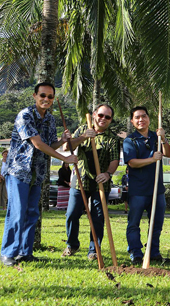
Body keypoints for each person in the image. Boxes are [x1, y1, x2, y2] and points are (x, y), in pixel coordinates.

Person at [0, 82, 78, 267]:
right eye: (43, 95)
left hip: (38, 172)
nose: (46, 99)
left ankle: (25, 253)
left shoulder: (50, 119)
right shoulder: (25, 115)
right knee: (17, 213)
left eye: (50, 97)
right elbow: (37, 144)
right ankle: (8, 253)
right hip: (19, 171)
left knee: (32, 213)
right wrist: (64, 159)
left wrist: (62, 141)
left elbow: (50, 145)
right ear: (35, 95)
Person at [63, 104, 120, 260]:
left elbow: (115, 160)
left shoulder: (113, 138)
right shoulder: (82, 130)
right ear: (94, 114)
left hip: (101, 182)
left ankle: (94, 249)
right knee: (72, 214)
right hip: (79, 180)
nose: (103, 119)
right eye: (101, 115)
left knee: (97, 217)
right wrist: (83, 138)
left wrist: (108, 174)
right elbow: (67, 148)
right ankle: (72, 244)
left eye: (107, 117)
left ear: (111, 120)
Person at [124, 106, 170, 265]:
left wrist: (163, 139)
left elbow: (169, 153)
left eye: (144, 116)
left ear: (149, 118)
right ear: (132, 121)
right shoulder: (129, 140)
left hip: (157, 190)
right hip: (138, 191)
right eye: (137, 117)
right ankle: (136, 253)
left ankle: (154, 252)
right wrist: (152, 159)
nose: (141, 120)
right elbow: (132, 162)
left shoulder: (156, 137)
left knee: (156, 224)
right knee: (134, 224)